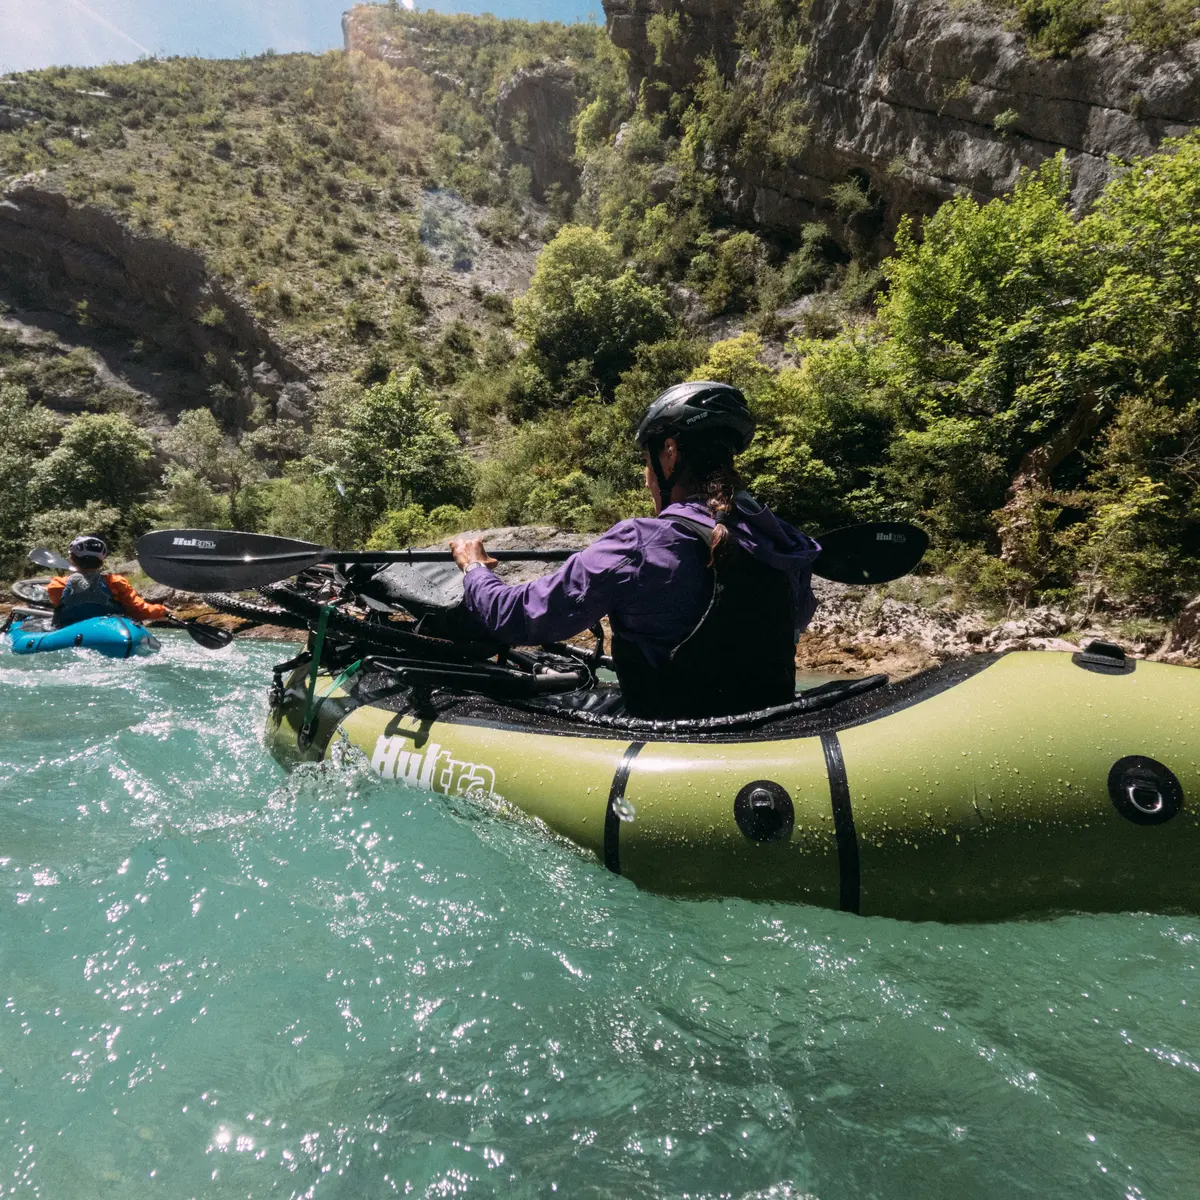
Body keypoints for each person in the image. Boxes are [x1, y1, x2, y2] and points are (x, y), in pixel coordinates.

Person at [450, 381, 821, 719]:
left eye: (646, 462)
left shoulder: (638, 543)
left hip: (672, 733)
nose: (646, 479)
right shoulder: (785, 543)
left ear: (670, 453)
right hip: (764, 726)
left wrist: (475, 569)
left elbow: (515, 618)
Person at [47, 535, 171, 628]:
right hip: (111, 630)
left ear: (72, 559)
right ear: (102, 561)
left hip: (71, 632)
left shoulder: (57, 585)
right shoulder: (116, 583)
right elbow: (139, 611)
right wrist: (161, 610)